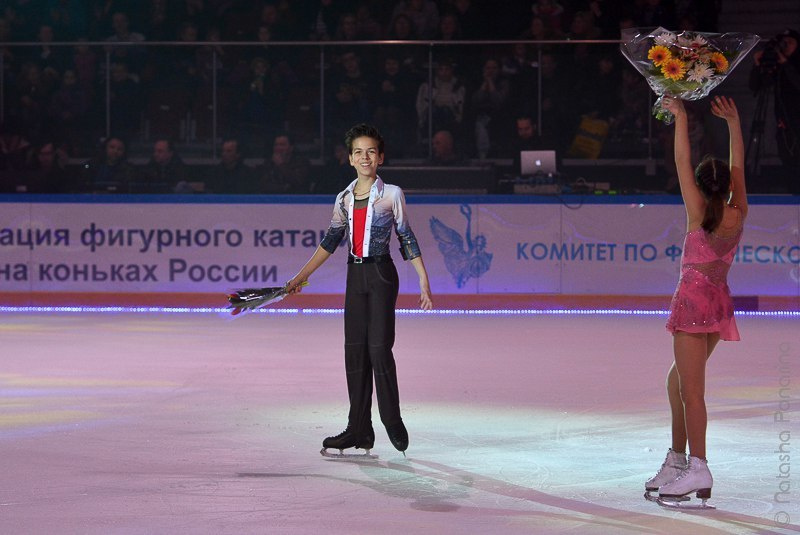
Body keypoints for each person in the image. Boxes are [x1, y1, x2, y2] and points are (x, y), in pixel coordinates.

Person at [286, 123, 433, 456]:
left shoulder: (392, 194)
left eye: (371, 151)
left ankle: (391, 419)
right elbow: (330, 242)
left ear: (380, 157)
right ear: (350, 159)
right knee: (354, 351)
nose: (364, 157)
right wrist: (300, 277)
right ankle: (358, 429)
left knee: (379, 350)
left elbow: (406, 237)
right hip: (355, 278)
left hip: (381, 275)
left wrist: (423, 279)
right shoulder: (343, 198)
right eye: (358, 152)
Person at [645, 95, 747, 505]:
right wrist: (734, 125)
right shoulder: (738, 211)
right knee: (677, 383)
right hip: (718, 305)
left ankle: (698, 467)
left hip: (692, 307)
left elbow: (680, 161)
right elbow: (737, 168)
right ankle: (677, 458)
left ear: (703, 187)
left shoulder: (698, 210)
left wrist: (682, 117)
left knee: (692, 392)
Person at [749, 28, 800, 193]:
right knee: (788, 163)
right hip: (785, 127)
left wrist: (785, 62)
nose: (785, 45)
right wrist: (758, 66)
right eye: (783, 42)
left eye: (790, 42)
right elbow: (757, 86)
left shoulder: (794, 65)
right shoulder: (779, 66)